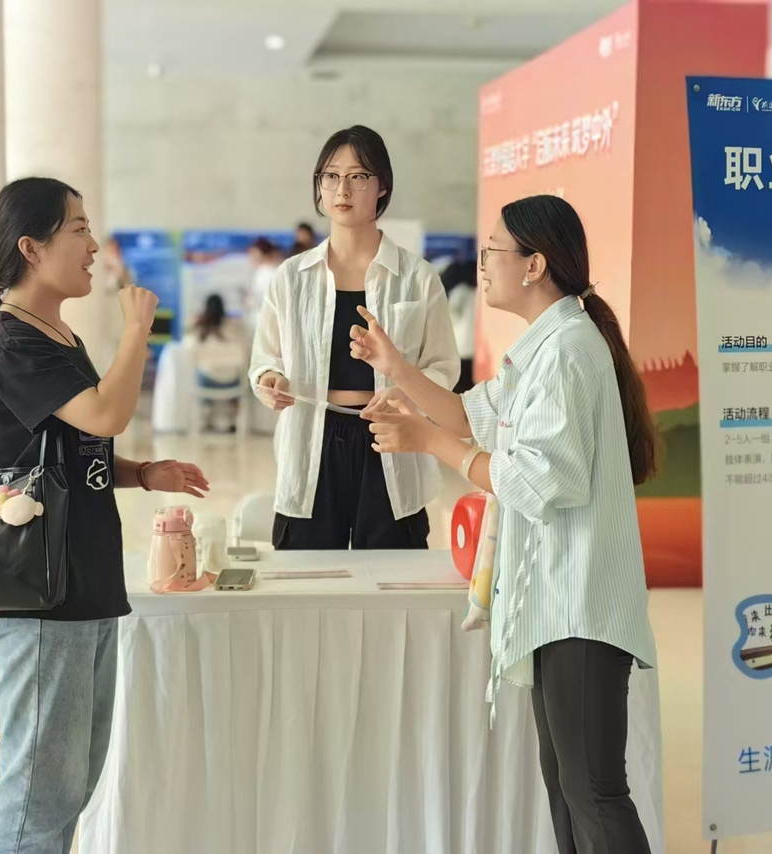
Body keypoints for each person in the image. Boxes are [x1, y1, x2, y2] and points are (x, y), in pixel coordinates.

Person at [350, 194, 657, 853]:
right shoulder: (546, 345)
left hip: (579, 604)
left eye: (492, 250)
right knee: (567, 786)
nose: (482, 263)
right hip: (556, 601)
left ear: (534, 264)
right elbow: (471, 416)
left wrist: (429, 444)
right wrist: (396, 367)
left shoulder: (568, 351)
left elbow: (540, 481)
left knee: (592, 791)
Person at [0, 177, 210, 854]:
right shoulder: (11, 340)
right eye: (79, 229)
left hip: (81, 578)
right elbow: (104, 413)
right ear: (31, 248)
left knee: (73, 781)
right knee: (39, 793)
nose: (93, 245)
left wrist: (141, 473)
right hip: (38, 591)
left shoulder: (53, 334)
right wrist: (139, 331)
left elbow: (72, 450)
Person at [249, 125, 459, 550]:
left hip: (392, 434)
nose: (342, 189)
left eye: (358, 176)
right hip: (311, 434)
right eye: (331, 176)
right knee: (305, 573)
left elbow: (443, 366)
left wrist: (406, 393)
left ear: (382, 186)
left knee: (392, 572)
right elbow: (265, 358)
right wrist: (270, 380)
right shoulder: (292, 277)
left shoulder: (417, 277)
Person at [185, 294, 246, 432]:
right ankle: (232, 418)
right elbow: (242, 354)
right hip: (231, 380)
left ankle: (205, 417)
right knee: (235, 377)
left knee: (201, 372)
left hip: (208, 380)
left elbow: (191, 351)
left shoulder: (201, 327)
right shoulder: (234, 326)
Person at [442, 259, 478, 393]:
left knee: (459, 388)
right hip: (470, 348)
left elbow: (450, 316)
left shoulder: (461, 291)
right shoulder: (470, 292)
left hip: (461, 348)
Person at [245, 237, 284, 321]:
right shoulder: (259, 271)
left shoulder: (270, 273)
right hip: (259, 316)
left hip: (267, 318)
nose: (251, 257)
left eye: (254, 253)